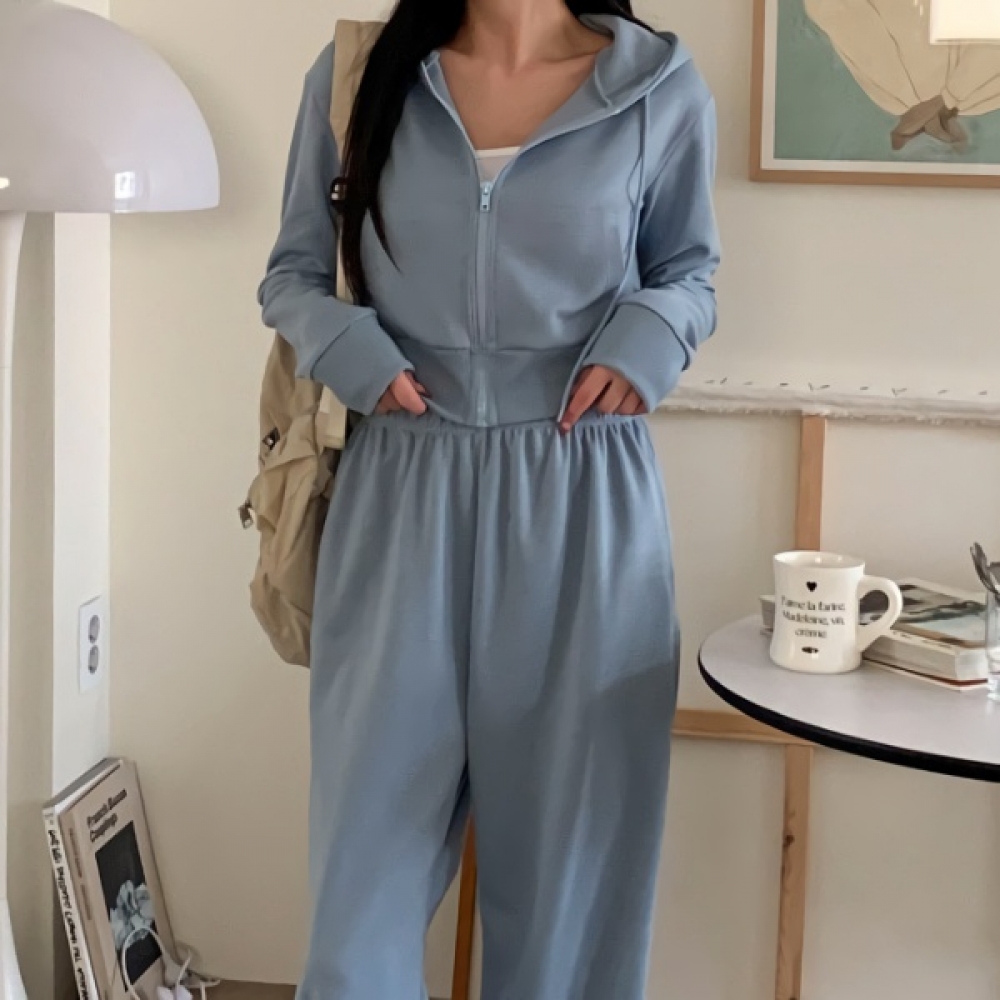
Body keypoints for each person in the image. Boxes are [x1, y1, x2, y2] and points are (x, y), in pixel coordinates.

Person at [258, 0, 720, 996]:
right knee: (356, 908)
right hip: (399, 486)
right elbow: (291, 275)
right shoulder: (357, 76)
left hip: (582, 493)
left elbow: (691, 273)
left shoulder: (657, 87)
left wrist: (649, 334)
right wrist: (351, 350)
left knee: (568, 899)